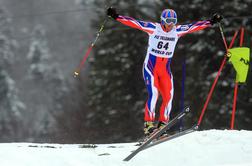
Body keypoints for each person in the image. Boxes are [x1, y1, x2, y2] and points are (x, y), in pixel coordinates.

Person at [107, 7, 222, 136]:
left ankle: (162, 124)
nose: (171, 24)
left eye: (173, 20)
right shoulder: (153, 28)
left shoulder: (176, 31)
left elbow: (193, 26)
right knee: (154, 94)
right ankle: (148, 125)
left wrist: (210, 22)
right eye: (168, 20)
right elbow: (135, 23)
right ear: (162, 20)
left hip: (165, 70)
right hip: (150, 68)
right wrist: (116, 16)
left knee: (168, 96)